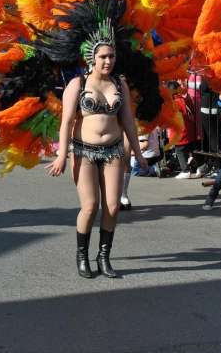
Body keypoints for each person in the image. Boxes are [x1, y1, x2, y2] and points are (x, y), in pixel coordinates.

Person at [48, 41, 147, 279]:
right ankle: (82, 255)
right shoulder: (78, 84)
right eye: (103, 56)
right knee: (90, 206)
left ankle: (104, 257)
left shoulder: (119, 84)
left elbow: (128, 122)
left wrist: (138, 153)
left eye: (111, 56)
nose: (108, 61)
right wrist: (62, 155)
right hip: (84, 152)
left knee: (112, 206)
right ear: (92, 58)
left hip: (113, 151)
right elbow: (67, 122)